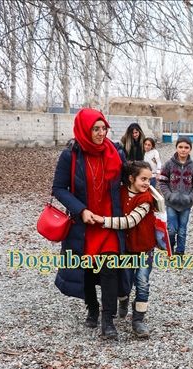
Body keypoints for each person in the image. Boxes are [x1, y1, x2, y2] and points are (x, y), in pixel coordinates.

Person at [51, 108, 125, 339]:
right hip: (84, 225)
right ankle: (92, 308)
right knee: (87, 271)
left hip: (109, 222)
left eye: (104, 128)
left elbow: (129, 178)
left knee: (110, 269)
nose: (101, 133)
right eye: (96, 129)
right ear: (85, 129)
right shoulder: (70, 155)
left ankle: (108, 320)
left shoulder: (115, 152)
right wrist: (80, 210)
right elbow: (58, 188)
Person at [94, 161, 158, 338]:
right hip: (127, 249)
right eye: (143, 179)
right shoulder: (120, 193)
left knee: (142, 283)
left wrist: (103, 221)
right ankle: (123, 299)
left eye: (149, 179)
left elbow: (130, 221)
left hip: (144, 249)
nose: (147, 183)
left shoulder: (146, 199)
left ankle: (138, 320)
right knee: (125, 281)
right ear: (131, 178)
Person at [158, 137, 193, 255]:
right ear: (176, 148)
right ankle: (171, 246)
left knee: (182, 230)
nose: (183, 150)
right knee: (172, 229)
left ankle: (180, 252)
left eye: (186, 147)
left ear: (190, 149)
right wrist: (168, 195)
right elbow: (162, 181)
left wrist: (190, 197)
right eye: (181, 147)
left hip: (186, 205)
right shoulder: (169, 164)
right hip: (171, 203)